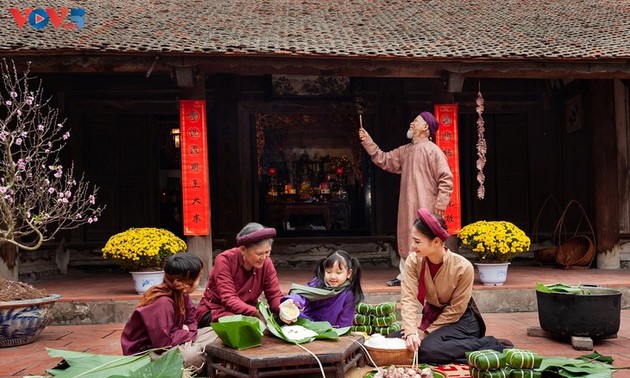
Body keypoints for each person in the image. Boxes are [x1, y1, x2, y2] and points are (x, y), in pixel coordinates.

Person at [397, 208, 510, 364]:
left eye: (417, 242)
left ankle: (489, 344)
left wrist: (425, 331)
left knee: (426, 349)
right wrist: (411, 332)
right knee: (398, 341)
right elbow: (408, 297)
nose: (412, 246)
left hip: (461, 320)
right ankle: (452, 349)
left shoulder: (463, 267)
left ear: (436, 241)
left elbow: (457, 309)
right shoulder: (413, 260)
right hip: (433, 316)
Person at [359, 111, 453, 286]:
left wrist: (441, 203)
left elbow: (446, 178)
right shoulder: (405, 150)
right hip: (407, 202)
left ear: (426, 127)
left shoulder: (434, 151)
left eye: (416, 121)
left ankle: (428, 277)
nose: (411, 123)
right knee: (406, 235)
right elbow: (383, 158)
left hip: (426, 203)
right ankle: (405, 276)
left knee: (424, 239)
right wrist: (368, 141)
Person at [121, 252, 214, 371]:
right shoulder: (161, 302)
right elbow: (162, 343)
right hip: (148, 355)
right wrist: (185, 334)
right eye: (199, 277)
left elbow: (191, 319)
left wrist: (187, 334)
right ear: (185, 284)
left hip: (177, 341)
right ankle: (200, 355)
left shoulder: (180, 292)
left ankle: (199, 352)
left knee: (215, 332)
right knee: (192, 356)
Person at [196, 222, 284, 326]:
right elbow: (229, 300)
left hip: (248, 313)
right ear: (243, 249)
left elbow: (274, 296)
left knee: (280, 318)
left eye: (267, 252)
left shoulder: (266, 262)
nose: (264, 257)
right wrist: (256, 312)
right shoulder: (224, 260)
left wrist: (284, 308)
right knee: (242, 325)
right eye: (259, 253)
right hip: (217, 310)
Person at [282, 250, 364, 328]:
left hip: (330, 330)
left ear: (349, 273)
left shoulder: (348, 294)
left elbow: (345, 323)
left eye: (338, 273)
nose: (332, 276)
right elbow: (303, 296)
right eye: (328, 272)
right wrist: (292, 301)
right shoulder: (317, 283)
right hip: (308, 324)